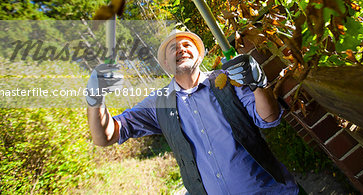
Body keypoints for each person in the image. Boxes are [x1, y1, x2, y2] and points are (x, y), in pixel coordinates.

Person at [86, 30, 299, 194]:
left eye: (187, 45)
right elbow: (105, 136)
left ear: (199, 55)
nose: (181, 49)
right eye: (173, 48)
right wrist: (95, 98)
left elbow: (269, 118)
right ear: (166, 65)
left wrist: (257, 84)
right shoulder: (158, 103)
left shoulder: (229, 80)